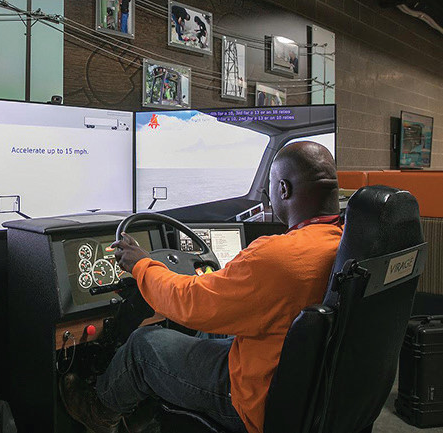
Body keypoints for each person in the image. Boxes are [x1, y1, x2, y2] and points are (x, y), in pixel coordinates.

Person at [60, 141, 342, 433]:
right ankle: (145, 411)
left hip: (257, 398)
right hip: (304, 386)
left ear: (283, 189)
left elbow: (190, 302)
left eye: (269, 188)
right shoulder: (343, 244)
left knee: (144, 346)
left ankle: (99, 410)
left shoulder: (277, 256)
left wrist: (142, 265)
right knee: (208, 331)